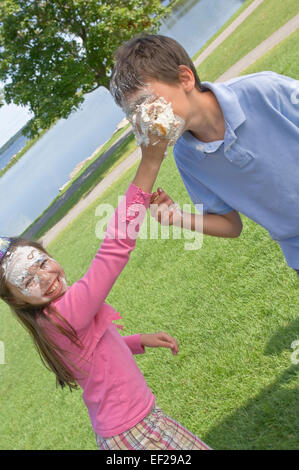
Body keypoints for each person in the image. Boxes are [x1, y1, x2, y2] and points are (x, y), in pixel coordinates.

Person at [0, 135, 210, 450]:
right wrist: (150, 163)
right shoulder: (64, 312)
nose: (45, 277)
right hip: (138, 433)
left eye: (42, 262)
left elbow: (95, 357)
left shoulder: (50, 320)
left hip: (128, 430)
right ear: (17, 300)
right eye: (27, 280)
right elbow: (114, 248)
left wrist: (139, 341)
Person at [110, 34, 299, 277]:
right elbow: (231, 225)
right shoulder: (187, 156)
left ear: (184, 78)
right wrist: (177, 217)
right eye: (133, 114)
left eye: (147, 103)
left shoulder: (262, 90)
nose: (144, 120)